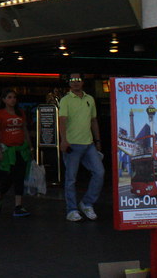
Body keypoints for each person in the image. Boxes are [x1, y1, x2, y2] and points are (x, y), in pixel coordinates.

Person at [59, 72, 104, 222]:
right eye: (72, 80)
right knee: (71, 178)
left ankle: (87, 202)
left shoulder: (89, 99)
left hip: (88, 143)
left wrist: (97, 141)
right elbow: (62, 121)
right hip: (72, 143)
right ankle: (71, 209)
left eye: (78, 80)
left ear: (83, 82)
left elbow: (93, 120)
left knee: (99, 172)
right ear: (69, 83)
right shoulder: (65, 100)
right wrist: (64, 140)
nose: (75, 82)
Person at [0, 89, 33, 218]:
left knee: (19, 176)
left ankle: (18, 206)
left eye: (14, 97)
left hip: (20, 149)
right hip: (8, 150)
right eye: (9, 97)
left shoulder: (20, 113)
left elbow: (24, 129)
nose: (12, 100)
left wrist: (30, 146)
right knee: (8, 177)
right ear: (4, 100)